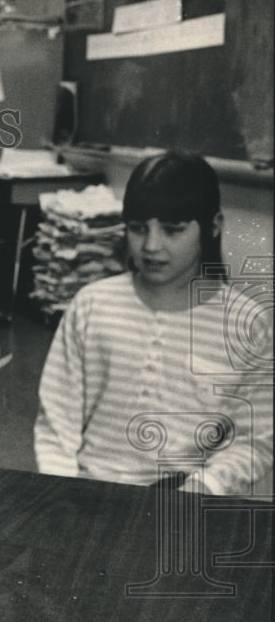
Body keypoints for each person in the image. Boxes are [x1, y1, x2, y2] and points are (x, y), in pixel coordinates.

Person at [34, 152, 272, 495]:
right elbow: (56, 423)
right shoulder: (92, 305)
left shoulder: (247, 325)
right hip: (86, 495)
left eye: (173, 230)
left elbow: (255, 439)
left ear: (213, 226)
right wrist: (66, 490)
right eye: (137, 228)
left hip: (185, 503)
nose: (151, 245)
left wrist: (204, 486)